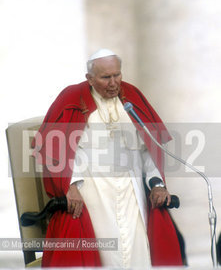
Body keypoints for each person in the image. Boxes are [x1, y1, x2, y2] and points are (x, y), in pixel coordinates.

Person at [33, 49, 185, 267]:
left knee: (137, 252)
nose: (114, 83)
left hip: (132, 190)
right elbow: (55, 148)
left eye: (117, 75)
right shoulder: (71, 98)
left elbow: (149, 148)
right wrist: (71, 186)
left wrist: (157, 183)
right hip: (93, 189)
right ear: (90, 79)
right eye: (106, 77)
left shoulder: (131, 96)